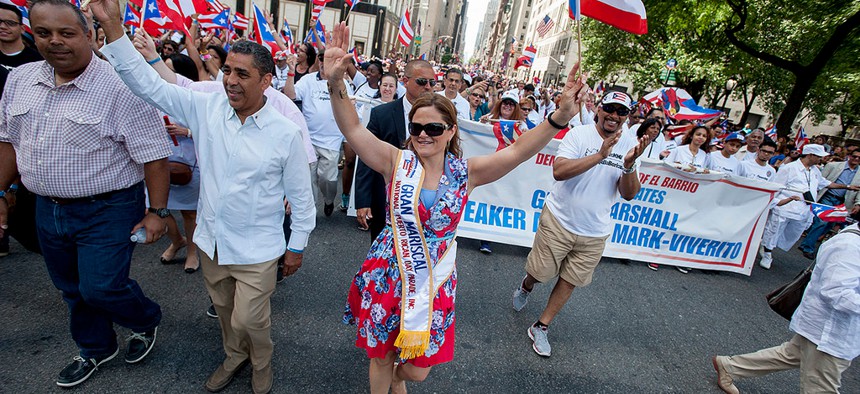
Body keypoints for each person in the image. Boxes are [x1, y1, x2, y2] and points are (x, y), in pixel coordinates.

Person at [326, 22, 588, 393]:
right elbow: (352, 128)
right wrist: (336, 82)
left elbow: (517, 151)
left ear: (450, 131)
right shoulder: (396, 161)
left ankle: (395, 382)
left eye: (433, 129)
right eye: (417, 128)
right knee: (381, 356)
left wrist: (558, 118)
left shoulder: (466, 173)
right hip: (389, 269)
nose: (422, 136)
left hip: (434, 279)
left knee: (416, 371)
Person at [92, 1, 317, 392]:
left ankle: (261, 360)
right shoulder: (206, 106)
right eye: (227, 69)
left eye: (241, 74)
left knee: (251, 318)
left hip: (259, 250)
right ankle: (235, 356)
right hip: (211, 242)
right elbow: (150, 86)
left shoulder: (285, 134)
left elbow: (301, 199)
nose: (229, 80)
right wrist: (114, 28)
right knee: (227, 313)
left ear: (265, 81)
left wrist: (295, 247)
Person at [0, 0, 170, 387]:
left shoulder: (121, 86)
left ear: (90, 35)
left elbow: (154, 155)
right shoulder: (20, 79)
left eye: (67, 33)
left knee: (102, 286)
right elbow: (7, 141)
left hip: (108, 207)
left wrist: (157, 211)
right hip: (47, 207)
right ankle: (95, 347)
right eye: (43, 33)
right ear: (33, 34)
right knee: (72, 288)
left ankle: (145, 319)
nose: (54, 42)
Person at [511, 90, 650, 357]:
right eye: (609, 108)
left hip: (595, 230)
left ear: (627, 116)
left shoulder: (631, 145)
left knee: (570, 280)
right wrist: (599, 155)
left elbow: (629, 194)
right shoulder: (579, 134)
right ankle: (527, 285)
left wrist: (629, 165)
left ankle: (541, 326)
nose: (614, 115)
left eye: (621, 111)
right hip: (559, 220)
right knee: (541, 273)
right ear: (598, 109)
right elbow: (559, 171)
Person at [712, 216, 860, 394]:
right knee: (821, 388)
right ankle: (731, 367)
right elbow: (836, 293)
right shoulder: (850, 247)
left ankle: (731, 367)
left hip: (833, 332)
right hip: (827, 334)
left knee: (791, 355)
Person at [353, 59, 436, 241]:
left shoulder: (441, 116)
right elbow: (367, 155)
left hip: (426, 199)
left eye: (433, 82)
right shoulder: (382, 114)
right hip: (386, 199)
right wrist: (363, 200)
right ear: (405, 81)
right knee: (383, 256)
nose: (428, 87)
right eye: (422, 82)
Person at [758, 144, 859, 269]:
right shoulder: (789, 168)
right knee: (774, 230)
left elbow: (826, 183)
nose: (820, 160)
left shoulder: (814, 170)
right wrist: (775, 203)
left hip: (803, 209)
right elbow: (776, 187)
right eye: (819, 157)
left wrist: (847, 187)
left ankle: (766, 244)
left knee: (792, 233)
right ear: (811, 155)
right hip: (786, 207)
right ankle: (767, 252)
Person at [284, 49, 354, 217]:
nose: (324, 62)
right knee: (309, 180)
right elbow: (290, 95)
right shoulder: (308, 80)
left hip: (331, 141)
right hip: (308, 140)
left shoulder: (342, 85)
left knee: (328, 179)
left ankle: (329, 200)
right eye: (321, 59)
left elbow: (351, 111)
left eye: (327, 59)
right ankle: (310, 212)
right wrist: (290, 72)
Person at [798, 149, 860, 258]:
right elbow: (819, 180)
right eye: (854, 156)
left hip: (843, 201)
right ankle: (807, 247)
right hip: (828, 196)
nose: (856, 159)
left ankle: (809, 241)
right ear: (849, 156)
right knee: (821, 222)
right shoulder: (833, 166)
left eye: (859, 158)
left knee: (830, 225)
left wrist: (858, 203)